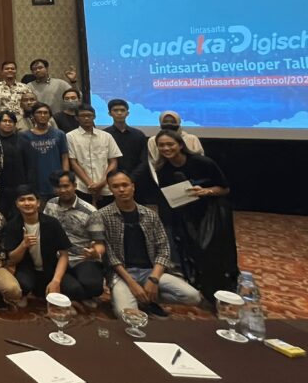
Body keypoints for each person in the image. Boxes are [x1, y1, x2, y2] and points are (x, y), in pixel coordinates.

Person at [92, 170, 202, 318]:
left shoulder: (150, 215)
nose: (121, 189)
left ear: (133, 186)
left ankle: (146, 298)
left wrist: (154, 279)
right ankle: (135, 298)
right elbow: (111, 258)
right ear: (110, 189)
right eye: (116, 186)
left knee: (193, 297)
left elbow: (163, 249)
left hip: (150, 271)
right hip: (122, 274)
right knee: (127, 316)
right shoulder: (102, 216)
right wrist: (132, 284)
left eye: (125, 185)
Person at [153, 130, 239, 298]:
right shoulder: (162, 169)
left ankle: (221, 290)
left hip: (211, 213)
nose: (166, 148)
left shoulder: (203, 162)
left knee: (214, 253)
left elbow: (225, 189)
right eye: (161, 145)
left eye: (170, 144)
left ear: (180, 145)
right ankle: (199, 285)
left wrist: (206, 191)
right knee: (191, 251)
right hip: (186, 214)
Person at [43, 171, 106, 303]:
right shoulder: (50, 204)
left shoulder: (90, 211)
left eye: (66, 186)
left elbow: (99, 243)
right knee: (74, 289)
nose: (62, 190)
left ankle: (73, 289)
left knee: (94, 287)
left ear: (75, 186)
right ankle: (73, 291)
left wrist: (95, 253)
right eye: (58, 187)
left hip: (82, 258)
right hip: (57, 258)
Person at [2, 189, 77, 301]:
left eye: (30, 199)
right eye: (22, 200)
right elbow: (12, 260)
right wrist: (23, 245)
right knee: (23, 285)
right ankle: (33, 291)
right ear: (17, 204)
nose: (27, 203)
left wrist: (56, 280)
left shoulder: (52, 223)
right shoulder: (12, 226)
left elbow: (64, 254)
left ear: (38, 203)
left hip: (51, 267)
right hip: (28, 269)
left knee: (74, 289)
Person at [66, 104, 122, 207]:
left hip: (105, 186)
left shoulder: (106, 136)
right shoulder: (70, 136)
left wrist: (102, 182)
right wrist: (89, 183)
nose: (86, 118)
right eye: (82, 116)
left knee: (107, 214)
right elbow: (73, 162)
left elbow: (113, 161)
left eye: (89, 115)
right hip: (82, 186)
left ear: (94, 116)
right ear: (76, 118)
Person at [20, 102, 70, 200]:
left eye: (45, 113)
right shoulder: (24, 136)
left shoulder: (59, 134)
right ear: (33, 116)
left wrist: (65, 179)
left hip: (56, 182)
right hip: (35, 183)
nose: (42, 115)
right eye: (39, 112)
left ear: (50, 116)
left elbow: (64, 158)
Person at [0, 111, 38, 220]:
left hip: (20, 188)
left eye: (10, 121)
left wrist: (29, 187)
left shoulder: (24, 141)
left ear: (15, 124)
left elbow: (31, 166)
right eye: (4, 121)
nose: (7, 123)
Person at [104, 99, 148, 173]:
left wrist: (133, 177)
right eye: (115, 110)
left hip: (136, 177)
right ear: (109, 113)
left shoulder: (138, 135)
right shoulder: (104, 135)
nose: (119, 113)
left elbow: (144, 160)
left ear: (127, 113)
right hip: (112, 177)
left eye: (122, 110)